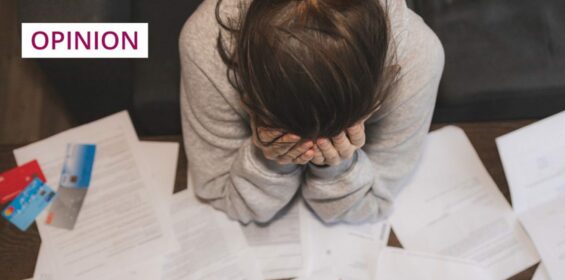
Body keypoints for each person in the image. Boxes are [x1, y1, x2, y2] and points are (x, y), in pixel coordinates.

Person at [180, 0, 444, 224]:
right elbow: (219, 191)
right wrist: (268, 160)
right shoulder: (203, 43)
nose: (311, 148)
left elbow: (373, 204)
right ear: (246, 91)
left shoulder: (417, 59)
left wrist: (337, 166)